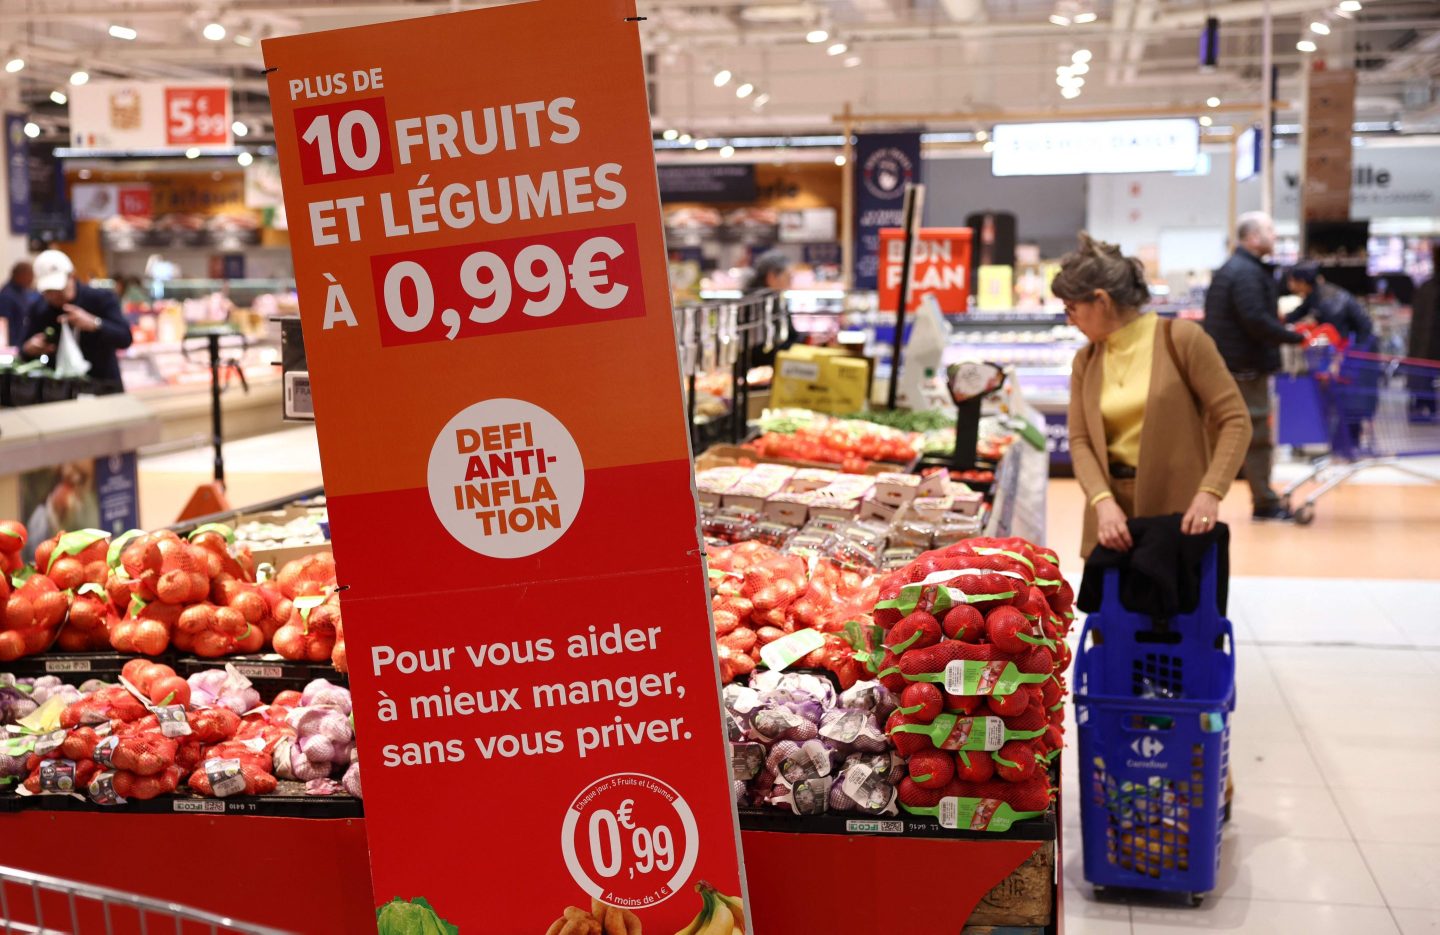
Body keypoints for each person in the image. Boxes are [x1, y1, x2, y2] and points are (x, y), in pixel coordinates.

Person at [1058, 233, 1252, 557]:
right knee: (1113, 608)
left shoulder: (1182, 339)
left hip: (1180, 518)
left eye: (1072, 308)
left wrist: (1211, 492)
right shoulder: (1086, 360)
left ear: (1102, 300)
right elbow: (1080, 441)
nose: (1069, 319)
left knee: (1176, 606)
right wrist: (1101, 502)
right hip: (1110, 525)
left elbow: (1236, 419)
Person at [1202, 212, 1304, 521]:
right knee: (1257, 436)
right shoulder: (1246, 273)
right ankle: (1265, 502)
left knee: (1219, 436)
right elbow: (1255, 320)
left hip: (1229, 367)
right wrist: (1295, 337)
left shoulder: (1236, 269)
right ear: (1252, 238)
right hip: (1244, 370)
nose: (1275, 236)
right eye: (1270, 230)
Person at [20, 250, 133, 391]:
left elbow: (125, 338)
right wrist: (29, 349)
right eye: (48, 291)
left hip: (103, 388)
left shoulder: (101, 299)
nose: (54, 296)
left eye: (58, 289)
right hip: (59, 392)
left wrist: (95, 324)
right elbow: (23, 349)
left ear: (72, 277)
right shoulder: (39, 308)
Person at [1284, 263, 1374, 347]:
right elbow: (1300, 312)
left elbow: (1338, 337)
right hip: (1351, 341)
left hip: (1361, 344)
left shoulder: (1328, 301)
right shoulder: (1314, 293)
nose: (1289, 285)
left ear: (1302, 282)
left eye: (1291, 280)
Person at [0, 260, 36, 348]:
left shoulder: (23, 292)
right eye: (30, 275)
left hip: (21, 343)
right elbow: (3, 322)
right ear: (20, 275)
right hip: (12, 346)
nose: (32, 279)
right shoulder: (7, 295)